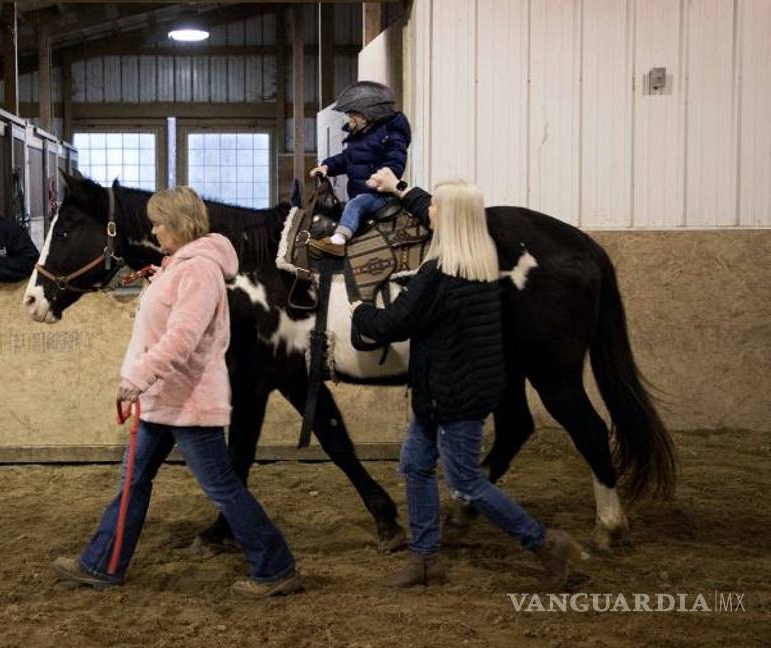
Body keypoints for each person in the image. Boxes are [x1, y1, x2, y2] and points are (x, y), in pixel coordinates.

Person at [52, 186, 301, 598]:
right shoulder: (180, 266)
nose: (152, 231)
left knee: (221, 487)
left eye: (158, 224)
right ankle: (102, 563)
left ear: (179, 225)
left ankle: (276, 566)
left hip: (187, 399)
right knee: (134, 479)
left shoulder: (198, 271)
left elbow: (183, 339)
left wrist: (138, 377)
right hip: (164, 399)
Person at [351, 167, 583, 590]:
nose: (429, 211)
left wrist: (359, 310)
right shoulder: (479, 261)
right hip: (454, 389)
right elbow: (435, 209)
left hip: (449, 395)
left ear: (450, 219)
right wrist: (401, 190)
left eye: (436, 207)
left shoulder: (437, 275)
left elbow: (392, 325)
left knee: (465, 481)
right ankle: (426, 559)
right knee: (415, 464)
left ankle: (545, 543)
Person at [307, 81, 411, 257]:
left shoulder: (391, 136)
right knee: (336, 208)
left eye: (352, 114)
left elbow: (396, 162)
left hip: (380, 194)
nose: (349, 119)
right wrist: (327, 166)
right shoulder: (359, 137)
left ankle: (338, 241)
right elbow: (346, 159)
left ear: (367, 115)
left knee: (355, 205)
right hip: (361, 193)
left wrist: (380, 179)